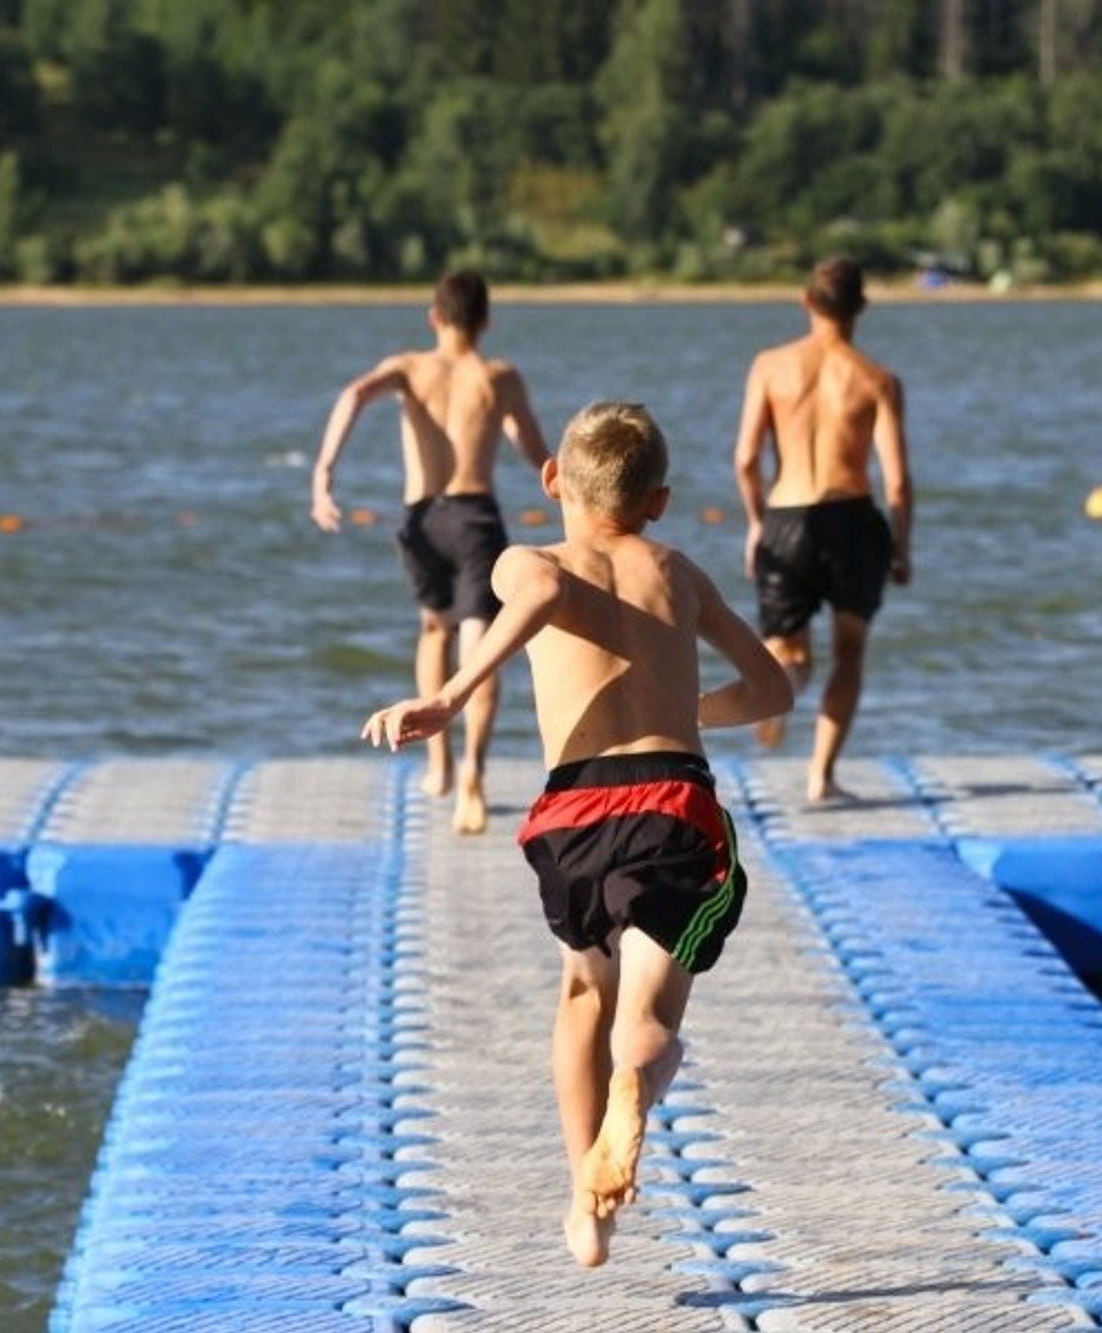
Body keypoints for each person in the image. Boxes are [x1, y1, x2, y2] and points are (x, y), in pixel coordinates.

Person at [362, 401, 791, 1268]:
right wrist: (688, 713)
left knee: (581, 997)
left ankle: (584, 1207)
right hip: (675, 799)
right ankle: (637, 1083)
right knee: (649, 1016)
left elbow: (549, 592)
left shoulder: (529, 559)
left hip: (575, 811)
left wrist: (448, 695)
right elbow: (774, 691)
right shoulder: (679, 571)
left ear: (552, 478)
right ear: (660, 500)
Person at [312, 269, 550, 834]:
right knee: (482, 650)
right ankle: (473, 774)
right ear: (485, 320)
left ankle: (437, 765)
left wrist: (323, 475)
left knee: (433, 632)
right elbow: (533, 448)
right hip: (475, 519)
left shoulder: (408, 369)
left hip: (421, 519)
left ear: (434, 317)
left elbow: (352, 395)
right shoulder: (499, 376)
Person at [732, 255, 913, 803]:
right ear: (861, 307)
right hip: (853, 520)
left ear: (806, 302)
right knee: (849, 651)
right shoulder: (878, 381)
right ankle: (821, 776)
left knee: (788, 649)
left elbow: (744, 458)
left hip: (787, 518)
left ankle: (782, 688)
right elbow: (898, 481)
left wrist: (756, 522)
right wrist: (902, 548)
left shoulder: (769, 366)